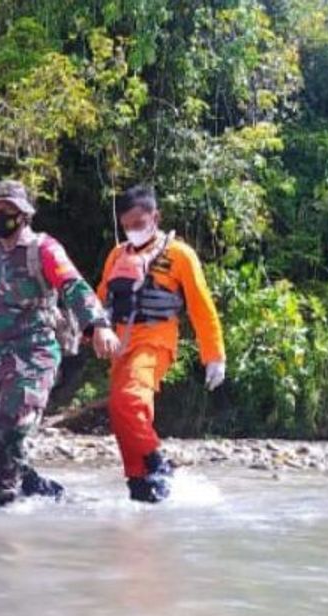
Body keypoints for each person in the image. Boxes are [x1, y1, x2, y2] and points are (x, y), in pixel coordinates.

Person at [0, 179, 119, 507]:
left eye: (4, 211)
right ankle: (32, 483)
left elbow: (73, 286)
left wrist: (98, 325)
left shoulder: (43, 249)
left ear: (22, 215)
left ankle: (0, 508)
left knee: (9, 431)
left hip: (33, 352)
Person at [94, 184, 226, 503]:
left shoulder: (180, 254)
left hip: (155, 341)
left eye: (139, 223)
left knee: (127, 403)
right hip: (120, 345)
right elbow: (100, 300)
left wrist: (214, 355)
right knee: (125, 416)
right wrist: (89, 331)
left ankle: (158, 462)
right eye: (127, 225)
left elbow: (201, 304)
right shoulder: (117, 254)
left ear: (156, 217)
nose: (133, 230)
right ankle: (142, 487)